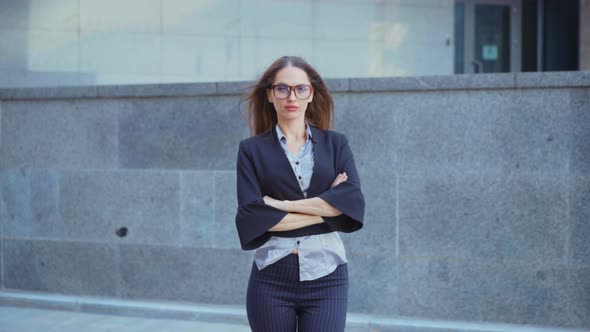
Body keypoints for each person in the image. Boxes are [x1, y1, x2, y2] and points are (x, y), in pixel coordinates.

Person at [235, 56, 365, 332]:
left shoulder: (336, 144)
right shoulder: (251, 150)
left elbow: (353, 204)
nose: (291, 96)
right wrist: (327, 207)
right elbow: (251, 217)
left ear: (311, 93)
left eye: (300, 88)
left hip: (327, 276)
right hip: (271, 279)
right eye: (282, 88)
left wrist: (281, 206)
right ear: (270, 94)